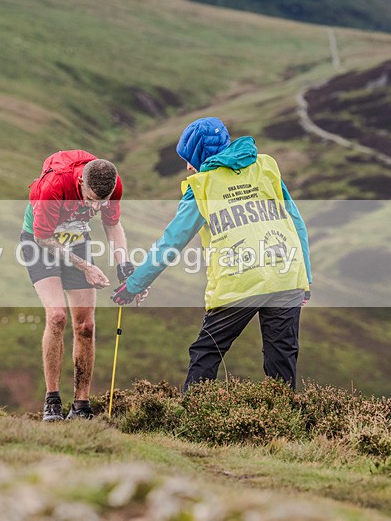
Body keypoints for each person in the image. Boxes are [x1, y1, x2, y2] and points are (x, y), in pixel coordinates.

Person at [112, 117, 312, 391]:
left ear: (201, 154)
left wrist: (134, 285)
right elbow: (296, 221)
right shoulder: (266, 167)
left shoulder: (202, 186)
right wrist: (305, 278)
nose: (187, 166)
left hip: (239, 282)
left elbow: (171, 243)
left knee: (206, 352)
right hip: (286, 276)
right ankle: (283, 415)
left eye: (189, 157)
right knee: (281, 358)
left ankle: (191, 414)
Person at [20, 150, 139, 421]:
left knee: (86, 326)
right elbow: (43, 238)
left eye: (102, 202)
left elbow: (112, 225)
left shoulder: (112, 185)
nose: (96, 208)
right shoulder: (54, 186)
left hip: (76, 239)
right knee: (57, 317)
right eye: (91, 200)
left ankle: (81, 404)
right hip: (40, 241)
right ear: (81, 183)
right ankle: (52, 400)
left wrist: (125, 267)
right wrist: (86, 267)